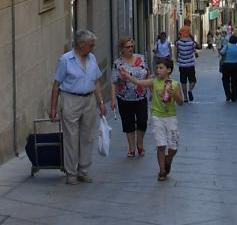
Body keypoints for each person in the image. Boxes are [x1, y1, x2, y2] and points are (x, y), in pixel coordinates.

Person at [50, 29, 107, 185]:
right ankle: (71, 173)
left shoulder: (92, 58)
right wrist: (53, 107)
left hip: (89, 100)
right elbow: (56, 85)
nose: (93, 47)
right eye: (91, 45)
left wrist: (101, 103)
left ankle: (84, 170)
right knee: (71, 138)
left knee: (87, 136)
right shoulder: (65, 60)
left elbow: (96, 82)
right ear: (81, 45)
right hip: (70, 99)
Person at [120, 57, 183, 181]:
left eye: (161, 68)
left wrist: (174, 95)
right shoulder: (154, 82)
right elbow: (139, 82)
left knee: (173, 147)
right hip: (157, 117)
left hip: (171, 118)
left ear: (169, 70)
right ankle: (162, 171)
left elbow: (181, 102)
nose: (158, 70)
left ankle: (168, 160)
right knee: (161, 145)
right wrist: (127, 76)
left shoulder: (175, 84)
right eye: (157, 67)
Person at [109, 36, 149, 158]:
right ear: (122, 49)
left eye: (132, 46)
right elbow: (113, 81)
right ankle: (131, 148)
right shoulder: (118, 63)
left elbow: (147, 73)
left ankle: (140, 144)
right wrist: (112, 99)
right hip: (124, 98)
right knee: (128, 123)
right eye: (128, 47)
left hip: (141, 97)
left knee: (142, 121)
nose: (130, 48)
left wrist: (151, 89)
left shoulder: (141, 58)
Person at [219, 33, 237, 102]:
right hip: (236, 65)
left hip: (227, 65)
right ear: (236, 41)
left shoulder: (227, 46)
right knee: (235, 81)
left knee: (225, 80)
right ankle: (234, 97)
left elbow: (221, 53)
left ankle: (228, 95)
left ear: (229, 41)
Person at [175, 26, 198, 102]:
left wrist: (180, 36)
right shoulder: (191, 43)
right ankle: (190, 90)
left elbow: (176, 42)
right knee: (193, 80)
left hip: (182, 65)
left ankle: (185, 97)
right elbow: (197, 46)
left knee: (183, 81)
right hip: (190, 64)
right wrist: (190, 37)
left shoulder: (178, 43)